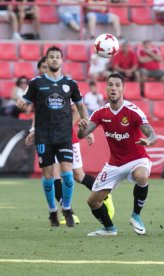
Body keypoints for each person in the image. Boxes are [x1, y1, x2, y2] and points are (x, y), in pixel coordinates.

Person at [24, 56, 115, 225]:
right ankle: (69, 213)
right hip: (47, 137)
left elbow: (77, 109)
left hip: (66, 138)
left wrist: (83, 128)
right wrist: (34, 130)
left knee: (78, 175)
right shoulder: (39, 87)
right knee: (54, 175)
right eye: (42, 68)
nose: (45, 70)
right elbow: (39, 114)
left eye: (47, 66)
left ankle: (105, 195)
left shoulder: (62, 87)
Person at [16, 46, 89, 227]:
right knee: (48, 175)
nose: (55, 60)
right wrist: (20, 104)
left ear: (62, 61)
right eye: (51, 57)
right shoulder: (36, 83)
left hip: (64, 135)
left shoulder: (70, 84)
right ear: (47, 61)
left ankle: (67, 209)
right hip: (44, 136)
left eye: (57, 57)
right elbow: (25, 102)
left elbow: (80, 105)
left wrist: (86, 120)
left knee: (67, 173)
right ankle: (52, 211)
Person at [77, 73, 158, 236]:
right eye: (110, 84)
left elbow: (152, 135)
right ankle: (109, 229)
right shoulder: (101, 113)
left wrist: (149, 141)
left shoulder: (133, 111)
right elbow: (81, 135)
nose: (113, 88)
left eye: (117, 85)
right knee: (93, 201)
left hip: (137, 159)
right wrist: (81, 126)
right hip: (115, 163)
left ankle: (136, 216)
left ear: (123, 90)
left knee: (142, 177)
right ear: (106, 88)